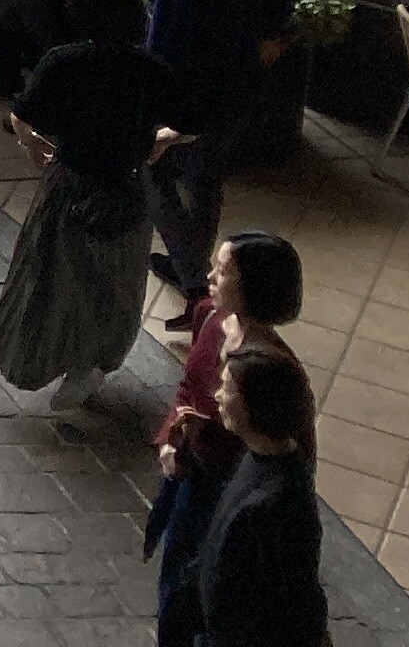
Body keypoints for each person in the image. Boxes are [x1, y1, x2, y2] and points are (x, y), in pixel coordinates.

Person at [0, 0, 185, 418]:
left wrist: (33, 147)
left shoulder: (63, 62)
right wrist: (159, 141)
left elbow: (23, 115)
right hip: (128, 189)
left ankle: (55, 356)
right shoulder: (150, 69)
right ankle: (93, 365)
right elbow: (190, 122)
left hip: (70, 187)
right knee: (115, 283)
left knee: (56, 277)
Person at [140, 0, 293, 319]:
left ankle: (194, 283)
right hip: (238, 85)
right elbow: (273, 0)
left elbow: (163, 35)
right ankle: (192, 269)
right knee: (206, 182)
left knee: (152, 173)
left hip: (188, 92)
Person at [151, 231, 308, 629]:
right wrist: (171, 439)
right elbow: (187, 386)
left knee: (211, 593)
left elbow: (294, 446)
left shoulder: (276, 371)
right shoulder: (208, 315)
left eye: (222, 271)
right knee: (175, 583)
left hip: (231, 484)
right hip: (192, 470)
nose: (210, 277)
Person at [175, 346, 328, 647]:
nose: (217, 395)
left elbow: (297, 595)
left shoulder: (281, 502)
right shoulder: (256, 457)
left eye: (227, 389)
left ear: (256, 406)